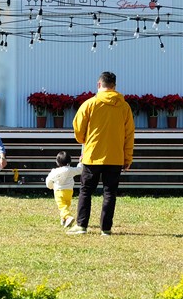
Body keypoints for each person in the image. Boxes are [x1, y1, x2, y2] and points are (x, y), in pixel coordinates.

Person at [68, 71, 135, 236]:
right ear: (114, 86)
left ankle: (82, 225)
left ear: (99, 85)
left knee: (85, 191)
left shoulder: (90, 104)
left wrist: (85, 140)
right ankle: (106, 228)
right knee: (110, 192)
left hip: (92, 155)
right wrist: (127, 157)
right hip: (115, 157)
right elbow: (129, 134)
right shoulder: (124, 106)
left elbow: (78, 128)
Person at [46, 151, 83, 228]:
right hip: (69, 191)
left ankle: (68, 217)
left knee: (62, 206)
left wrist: (51, 186)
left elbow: (48, 181)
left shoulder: (54, 171)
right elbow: (80, 170)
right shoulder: (70, 170)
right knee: (66, 205)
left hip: (59, 191)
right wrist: (80, 162)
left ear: (57, 162)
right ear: (69, 161)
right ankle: (63, 219)